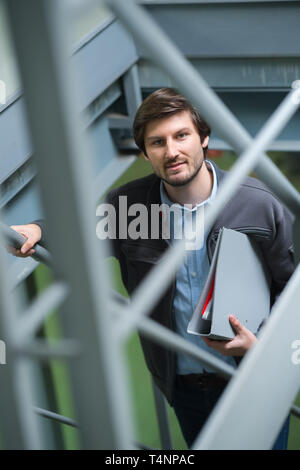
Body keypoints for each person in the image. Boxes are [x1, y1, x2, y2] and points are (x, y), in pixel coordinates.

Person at [10, 88, 294, 449]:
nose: (172, 151)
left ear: (204, 138)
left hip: (254, 377)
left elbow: (291, 290)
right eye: (157, 142)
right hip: (184, 387)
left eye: (181, 136)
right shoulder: (128, 207)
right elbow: (78, 233)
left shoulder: (258, 204)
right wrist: (38, 229)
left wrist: (264, 345)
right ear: (145, 153)